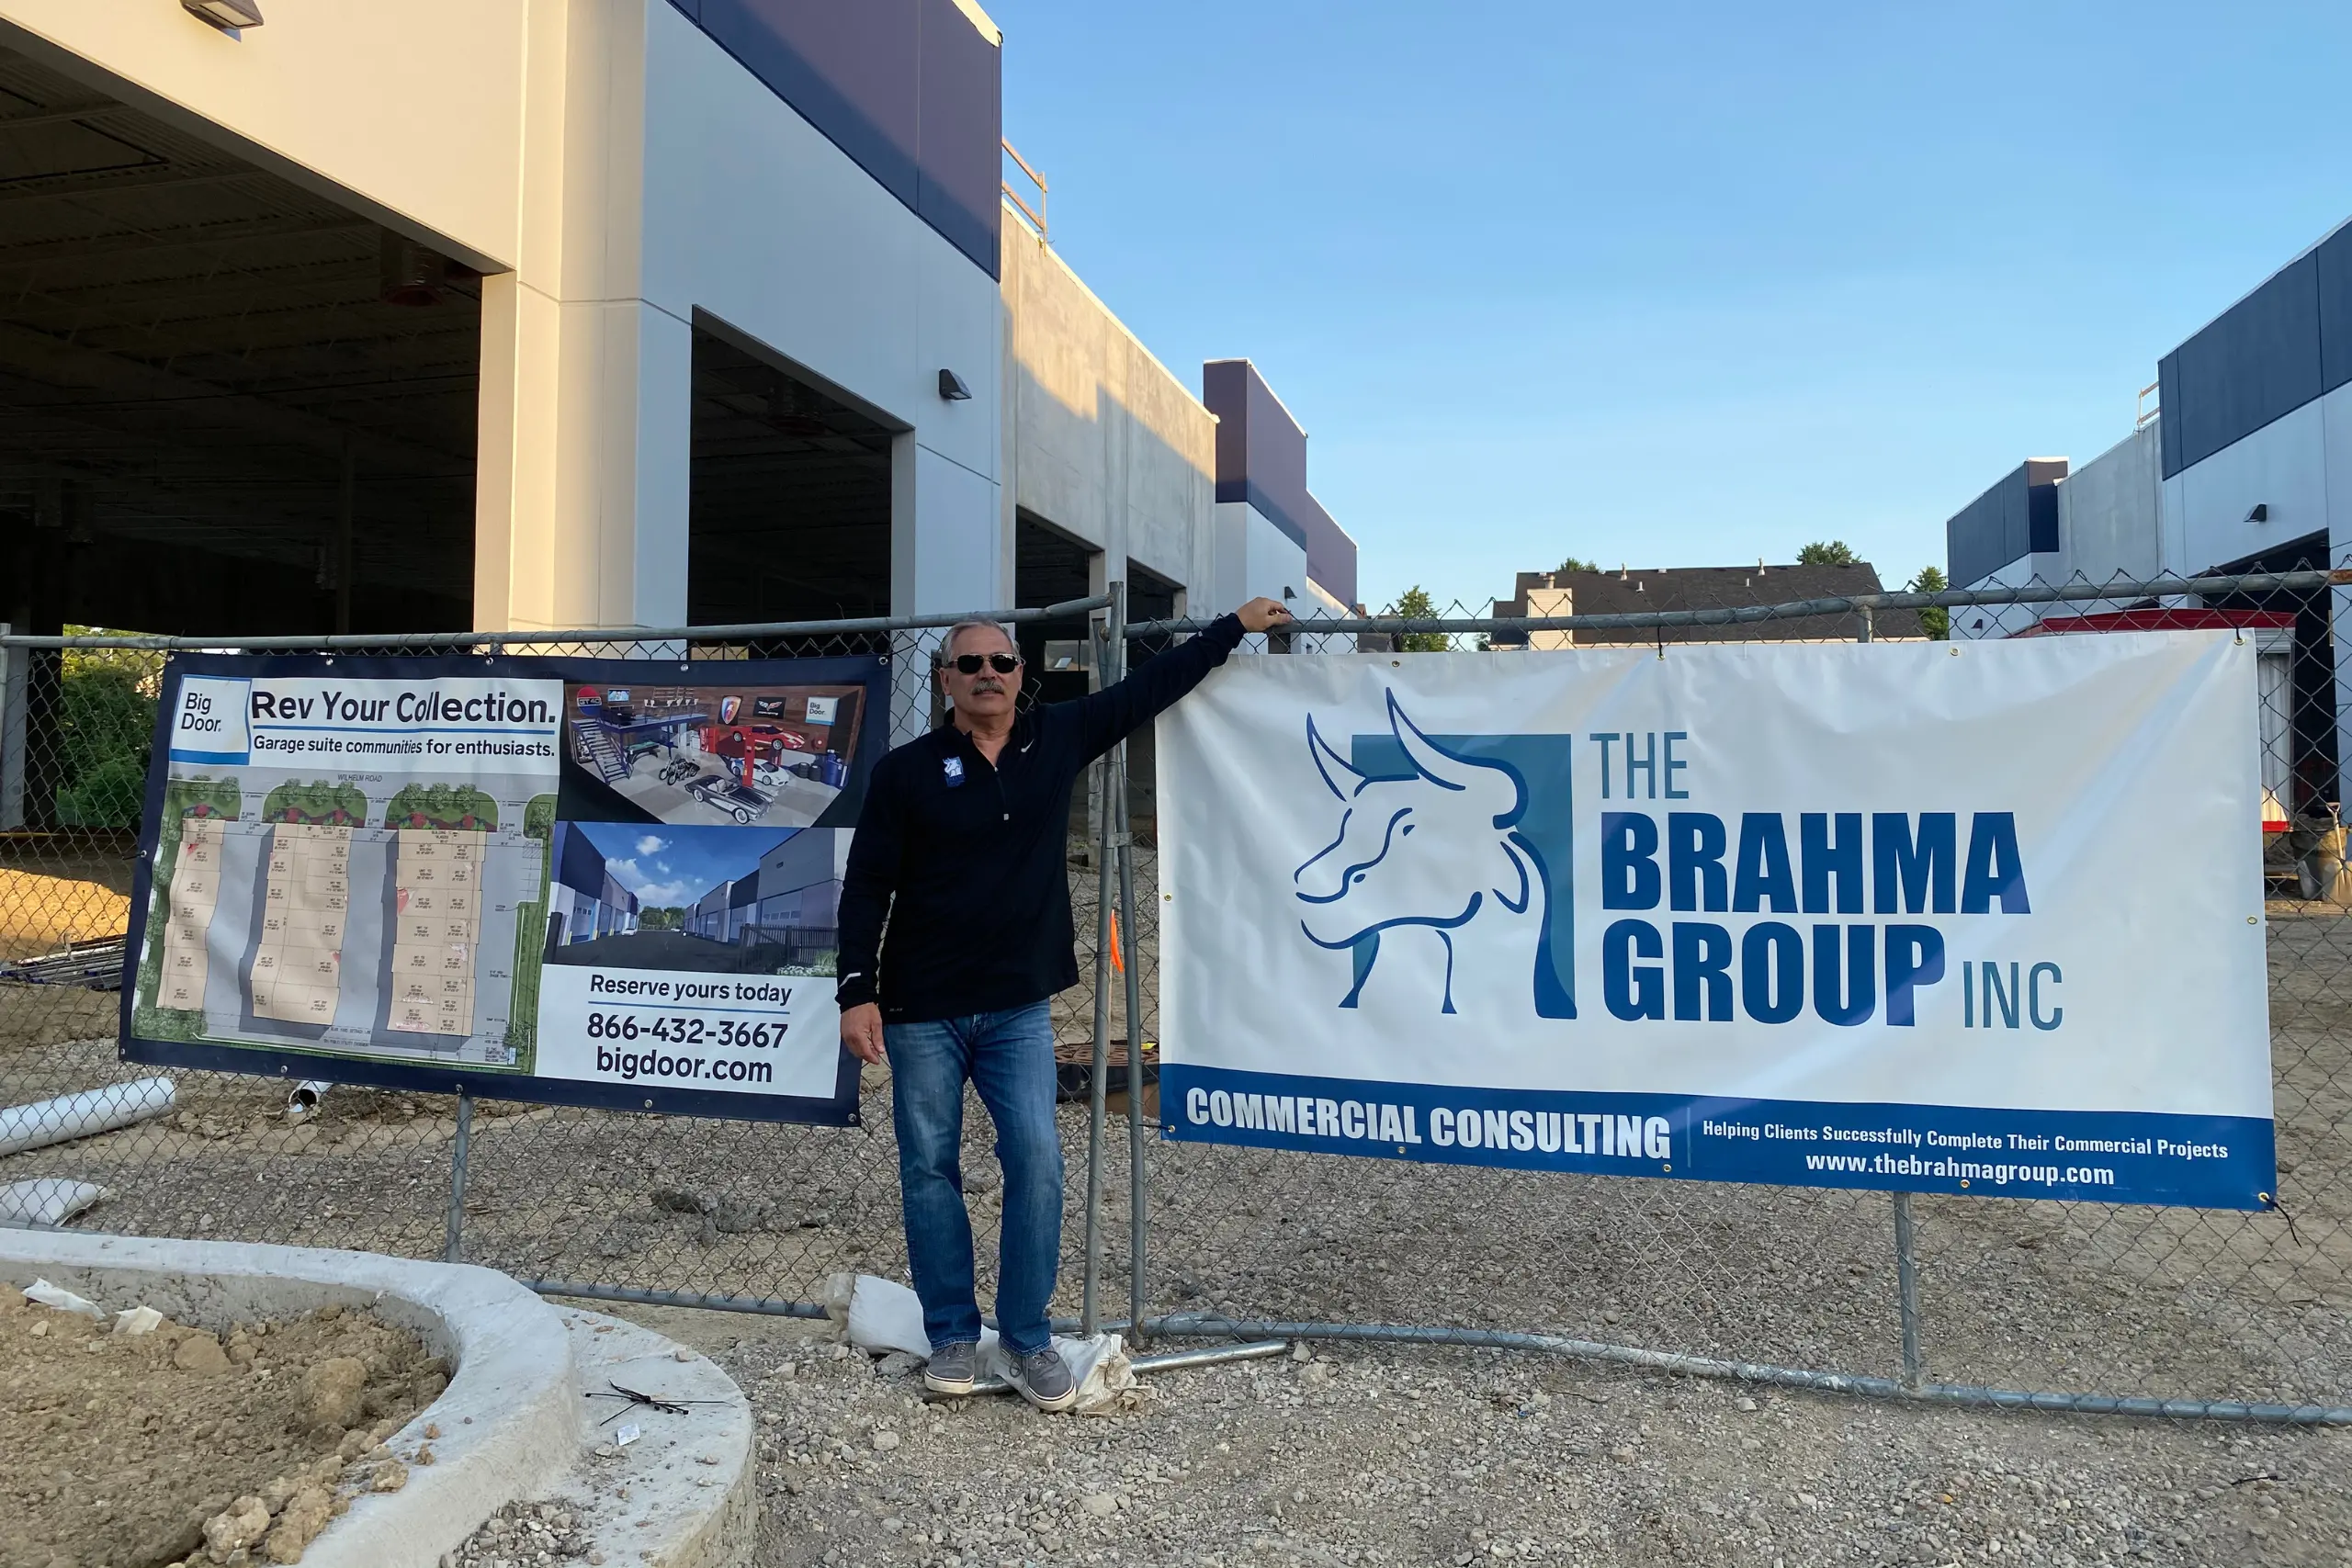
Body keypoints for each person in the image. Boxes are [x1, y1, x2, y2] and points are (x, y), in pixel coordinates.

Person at [837, 596, 1293, 1410]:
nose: (986, 673)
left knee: (1038, 1163)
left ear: (1021, 674)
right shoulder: (905, 772)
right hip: (920, 1008)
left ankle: (1025, 1338)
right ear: (945, 680)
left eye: (1000, 661)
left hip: (1018, 1008)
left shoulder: (1058, 737)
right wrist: (856, 991)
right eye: (969, 663)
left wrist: (1232, 627)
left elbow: (1151, 686)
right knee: (929, 1169)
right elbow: (867, 885)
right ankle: (951, 1333)